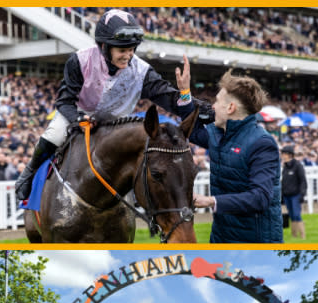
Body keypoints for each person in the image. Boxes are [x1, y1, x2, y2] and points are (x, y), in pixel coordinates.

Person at [14, 9, 208, 201]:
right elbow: (64, 102)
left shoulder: (142, 71)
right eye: (122, 50)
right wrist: (78, 119)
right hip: (78, 115)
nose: (128, 55)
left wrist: (201, 105)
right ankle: (29, 172)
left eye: (132, 50)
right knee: (54, 134)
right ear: (104, 46)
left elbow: (168, 98)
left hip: (115, 124)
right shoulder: (79, 60)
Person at [181, 69, 283, 243]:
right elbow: (192, 131)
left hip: (255, 243)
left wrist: (210, 201)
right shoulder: (217, 134)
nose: (213, 106)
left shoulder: (262, 143)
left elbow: (260, 197)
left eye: (218, 101)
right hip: (221, 237)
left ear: (230, 108)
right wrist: (184, 94)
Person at [280, 145, 307, 239]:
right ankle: (294, 236)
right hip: (287, 195)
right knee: (291, 215)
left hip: (296, 195)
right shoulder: (285, 167)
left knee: (296, 214)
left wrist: (302, 194)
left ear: (289, 155)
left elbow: (303, 181)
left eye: (284, 154)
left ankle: (303, 235)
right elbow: (284, 182)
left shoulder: (298, 165)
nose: (282, 156)